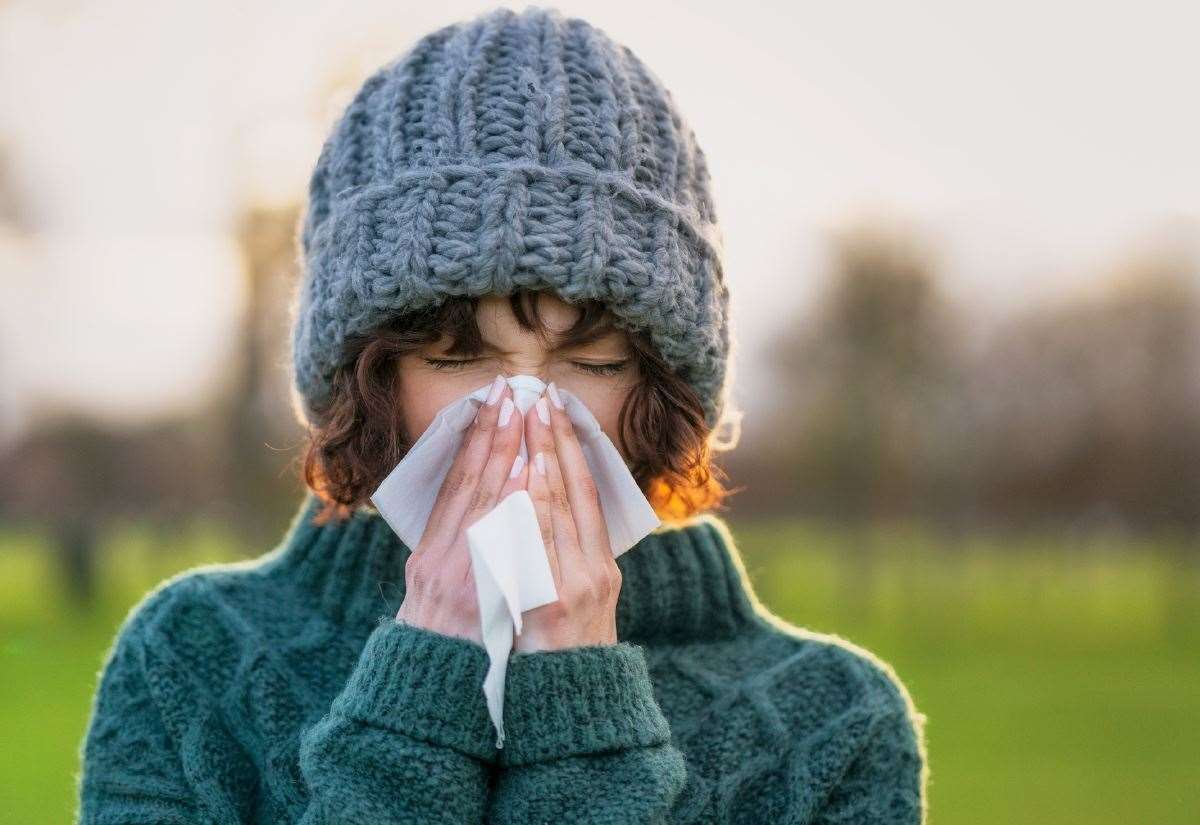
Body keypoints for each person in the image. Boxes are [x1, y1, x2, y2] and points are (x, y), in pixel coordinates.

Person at [76, 6, 928, 823]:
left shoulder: (835, 723)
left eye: (591, 362)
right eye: (456, 358)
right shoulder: (191, 659)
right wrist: (420, 693)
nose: (524, 414)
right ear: (366, 377)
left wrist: (580, 708)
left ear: (664, 386)